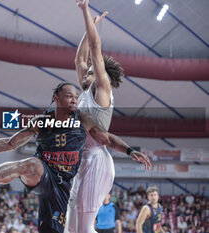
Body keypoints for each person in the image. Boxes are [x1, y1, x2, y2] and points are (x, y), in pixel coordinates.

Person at [0, 82, 151, 233]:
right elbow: (10, 143)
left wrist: (129, 151)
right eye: (69, 96)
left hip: (63, 187)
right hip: (44, 173)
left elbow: (107, 139)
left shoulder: (84, 120)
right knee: (30, 164)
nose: (75, 100)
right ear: (56, 98)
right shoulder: (42, 121)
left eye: (76, 96)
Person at [65, 1, 125, 232]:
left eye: (92, 72)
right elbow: (79, 60)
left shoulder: (102, 93)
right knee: (71, 228)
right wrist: (90, 25)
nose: (86, 72)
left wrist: (85, 12)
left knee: (82, 228)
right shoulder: (84, 93)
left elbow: (95, 48)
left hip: (97, 162)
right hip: (82, 160)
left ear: (101, 77)